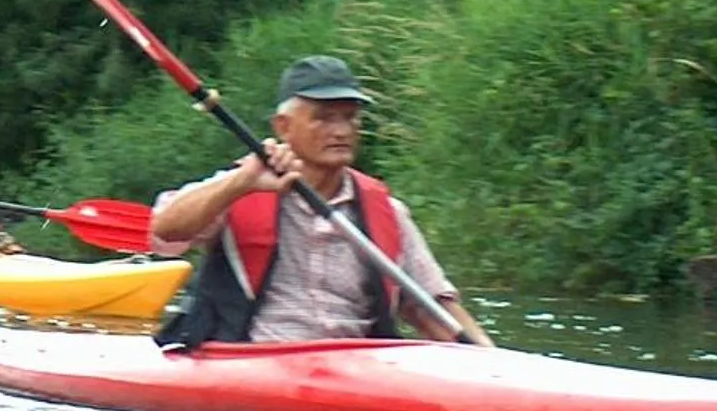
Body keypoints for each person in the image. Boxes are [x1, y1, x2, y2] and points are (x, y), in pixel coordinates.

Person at [147, 56, 492, 347]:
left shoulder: (388, 211)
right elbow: (165, 230)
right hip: (253, 361)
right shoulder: (243, 185)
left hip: (355, 370)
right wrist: (242, 182)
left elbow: (430, 307)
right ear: (284, 127)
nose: (341, 131)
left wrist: (493, 363)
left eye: (350, 117)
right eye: (324, 118)